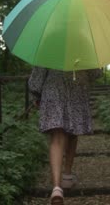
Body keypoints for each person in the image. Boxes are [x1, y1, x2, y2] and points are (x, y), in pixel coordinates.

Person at [28, 67, 102, 205]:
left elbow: (36, 81)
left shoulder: (48, 46)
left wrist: (36, 96)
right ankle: (67, 176)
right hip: (77, 86)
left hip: (54, 88)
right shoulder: (85, 46)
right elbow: (95, 73)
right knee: (73, 132)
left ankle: (56, 187)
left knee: (57, 137)